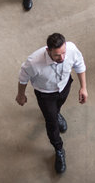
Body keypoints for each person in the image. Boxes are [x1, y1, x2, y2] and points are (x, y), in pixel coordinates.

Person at [16, 33, 88, 174]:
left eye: (63, 53)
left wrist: (83, 87)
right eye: (57, 55)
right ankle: (58, 148)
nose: (61, 58)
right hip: (45, 94)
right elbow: (23, 78)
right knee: (51, 122)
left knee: (57, 108)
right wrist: (21, 94)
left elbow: (79, 65)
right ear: (48, 51)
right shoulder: (33, 62)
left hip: (64, 86)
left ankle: (57, 112)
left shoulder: (71, 49)